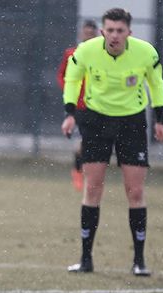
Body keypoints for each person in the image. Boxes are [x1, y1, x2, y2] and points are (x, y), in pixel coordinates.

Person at [60, 8, 163, 276]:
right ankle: (86, 259)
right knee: (93, 188)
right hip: (96, 121)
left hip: (131, 123)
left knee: (135, 192)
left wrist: (160, 119)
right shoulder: (85, 51)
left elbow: (156, 84)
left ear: (129, 32)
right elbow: (73, 79)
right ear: (102, 31)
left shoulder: (146, 53)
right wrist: (70, 113)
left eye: (120, 31)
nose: (114, 35)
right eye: (110, 30)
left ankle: (139, 261)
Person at [56, 20, 98, 192]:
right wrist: (69, 92)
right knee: (82, 141)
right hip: (79, 106)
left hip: (98, 105)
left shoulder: (100, 55)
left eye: (91, 33)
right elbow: (61, 75)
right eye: (86, 33)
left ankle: (88, 172)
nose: (88, 36)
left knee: (95, 141)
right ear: (81, 34)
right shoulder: (72, 53)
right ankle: (78, 170)